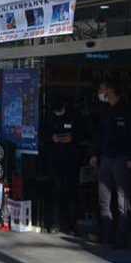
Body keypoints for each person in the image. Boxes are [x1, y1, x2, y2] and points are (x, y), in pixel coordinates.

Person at [90, 79, 131, 249]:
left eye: (102, 89)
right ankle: (107, 235)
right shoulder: (104, 110)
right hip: (106, 157)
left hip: (122, 158)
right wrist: (95, 154)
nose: (100, 93)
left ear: (110, 90)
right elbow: (99, 135)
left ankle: (121, 239)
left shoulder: (128, 110)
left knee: (122, 200)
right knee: (104, 198)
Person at [44, 98, 81, 234]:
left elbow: (77, 136)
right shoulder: (49, 118)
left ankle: (72, 225)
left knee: (71, 194)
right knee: (55, 193)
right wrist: (53, 138)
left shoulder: (73, 117)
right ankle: (54, 223)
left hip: (70, 162)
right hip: (54, 162)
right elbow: (45, 136)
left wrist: (67, 139)